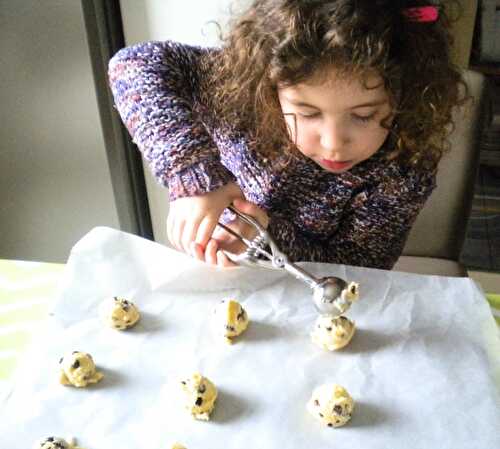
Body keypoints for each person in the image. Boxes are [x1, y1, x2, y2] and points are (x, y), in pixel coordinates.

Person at [108, 0, 466, 270]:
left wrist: (264, 236)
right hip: (215, 282)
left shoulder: (403, 171)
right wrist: (196, 177)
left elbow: (359, 270)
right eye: (307, 113)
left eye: (363, 116)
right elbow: (135, 64)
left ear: (405, 97)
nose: (333, 142)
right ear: (268, 85)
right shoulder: (238, 91)